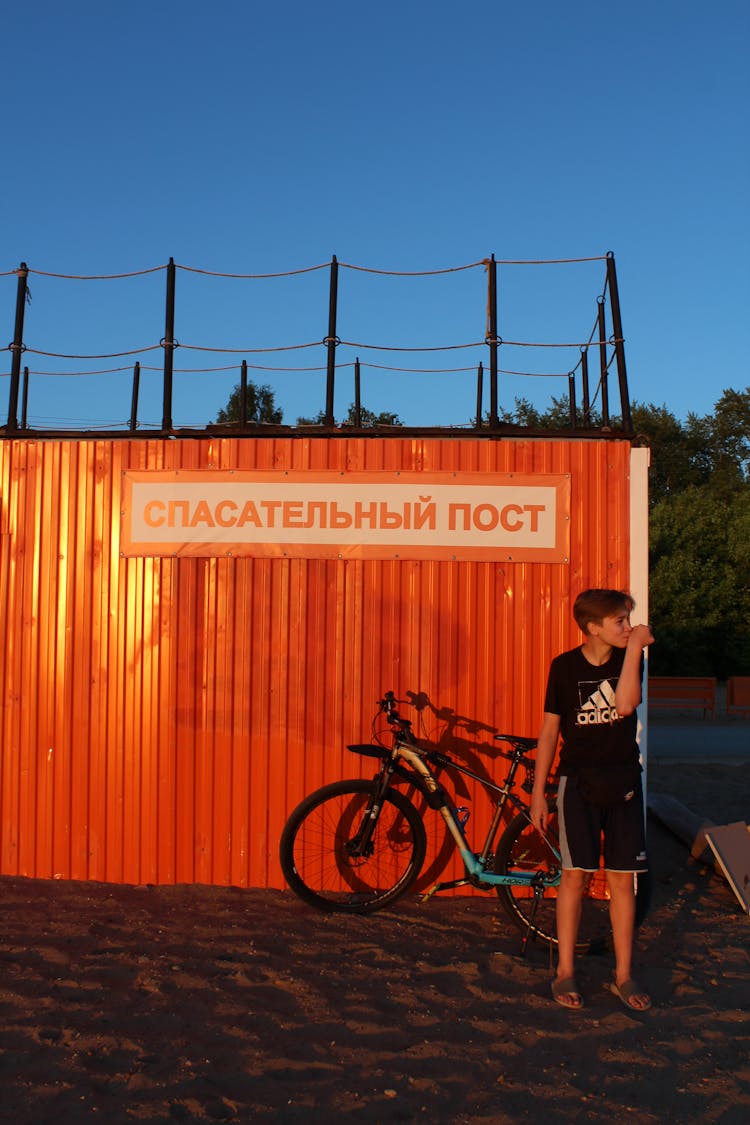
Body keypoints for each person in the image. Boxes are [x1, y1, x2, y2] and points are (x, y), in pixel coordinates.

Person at [529, 588, 653, 1012]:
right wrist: (537, 792)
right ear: (592, 627)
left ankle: (623, 975)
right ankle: (564, 971)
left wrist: (633, 648)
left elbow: (624, 705)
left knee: (621, 879)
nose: (627, 626)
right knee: (574, 877)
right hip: (577, 783)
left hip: (623, 782)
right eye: (619, 621)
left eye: (627, 619)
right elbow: (549, 732)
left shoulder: (630, 658)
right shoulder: (563, 668)